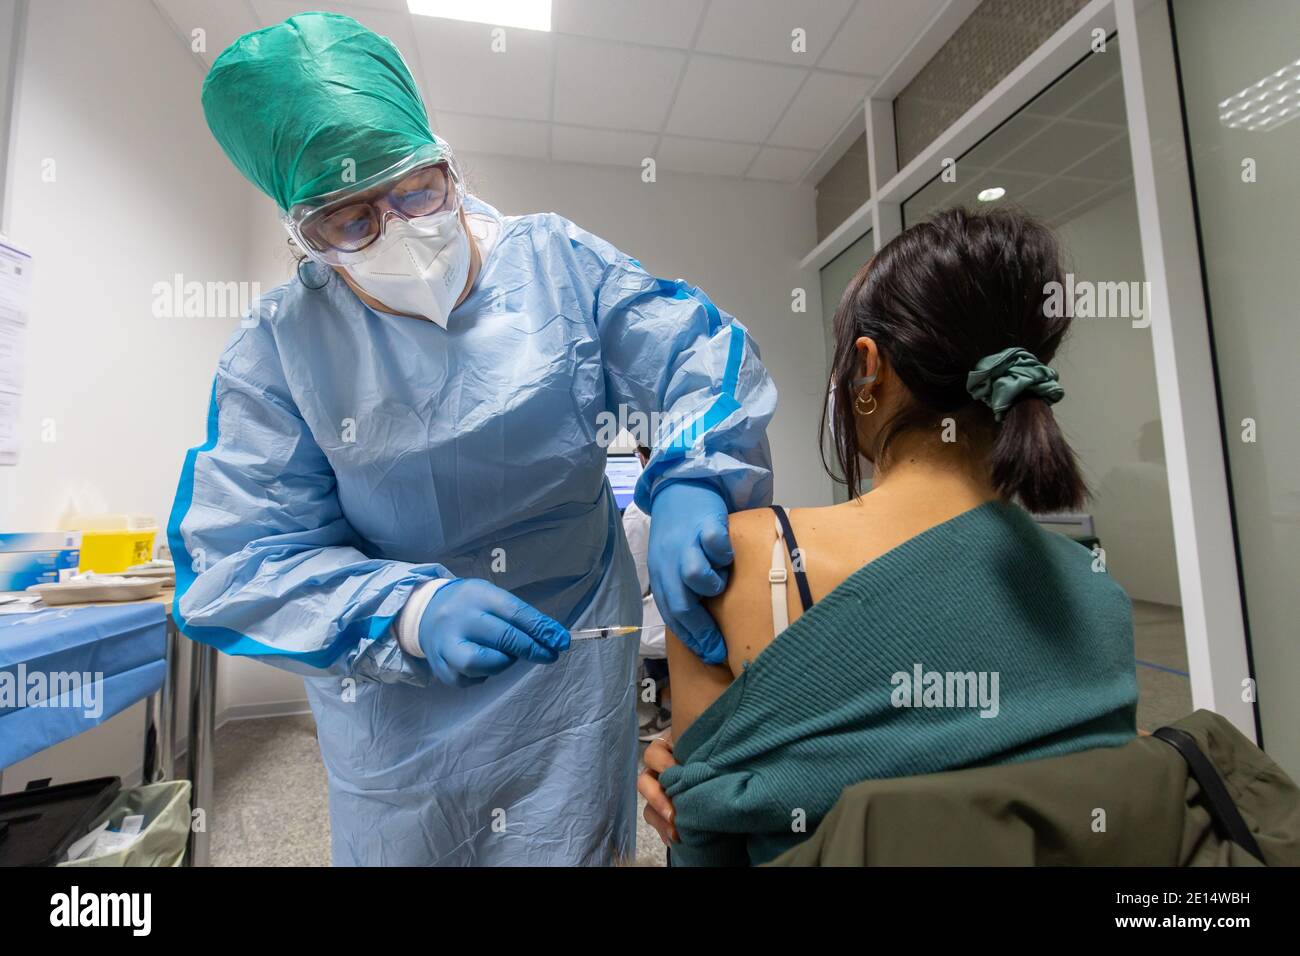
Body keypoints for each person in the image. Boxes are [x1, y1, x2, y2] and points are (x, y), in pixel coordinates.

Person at [168, 12, 775, 866]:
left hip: (572, 663)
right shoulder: (281, 349)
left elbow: (692, 359)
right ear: (302, 237)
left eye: (416, 190)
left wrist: (693, 476)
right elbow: (241, 559)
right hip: (397, 704)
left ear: (449, 164)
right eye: (350, 221)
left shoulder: (557, 263)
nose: (398, 229)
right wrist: (409, 611)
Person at [638, 207, 1139, 865]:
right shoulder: (1098, 593)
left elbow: (702, 849)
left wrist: (704, 772)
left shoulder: (744, 561)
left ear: (866, 369)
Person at [620, 446, 671, 740]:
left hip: (676, 626)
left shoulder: (641, 511)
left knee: (617, 624)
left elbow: (631, 589)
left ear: (641, 457)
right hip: (727, 614)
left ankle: (657, 707)